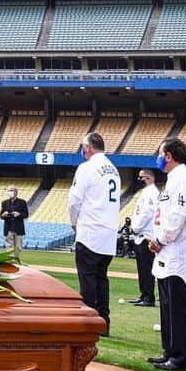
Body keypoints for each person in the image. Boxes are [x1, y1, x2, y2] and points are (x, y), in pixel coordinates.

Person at [148, 138, 186, 371]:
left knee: (177, 309)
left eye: (161, 154)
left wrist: (161, 239)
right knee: (167, 307)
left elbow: (177, 218)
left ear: (168, 155)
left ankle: (179, 358)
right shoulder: (174, 180)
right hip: (166, 253)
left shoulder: (184, 181)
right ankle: (168, 351)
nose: (159, 159)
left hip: (176, 253)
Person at [68, 132, 120, 336]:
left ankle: (89, 323)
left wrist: (73, 222)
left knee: (88, 279)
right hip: (108, 233)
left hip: (90, 230)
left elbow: (74, 200)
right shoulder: (113, 169)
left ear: (88, 147)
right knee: (101, 279)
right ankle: (103, 321)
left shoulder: (86, 168)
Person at [128, 169, 159, 307]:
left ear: (148, 178)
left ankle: (149, 297)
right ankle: (143, 294)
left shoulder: (152, 193)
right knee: (141, 268)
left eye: (141, 177)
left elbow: (147, 213)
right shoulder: (146, 192)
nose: (139, 180)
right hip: (139, 235)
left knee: (146, 268)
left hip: (145, 235)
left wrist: (136, 227)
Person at [0, 184, 29, 259]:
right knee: (9, 247)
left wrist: (19, 214)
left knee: (18, 247)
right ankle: (10, 261)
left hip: (18, 228)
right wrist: (4, 214)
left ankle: (16, 259)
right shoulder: (4, 202)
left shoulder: (22, 202)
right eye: (8, 191)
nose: (9, 192)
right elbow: (1, 215)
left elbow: (26, 214)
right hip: (8, 227)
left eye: (10, 191)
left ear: (15, 192)